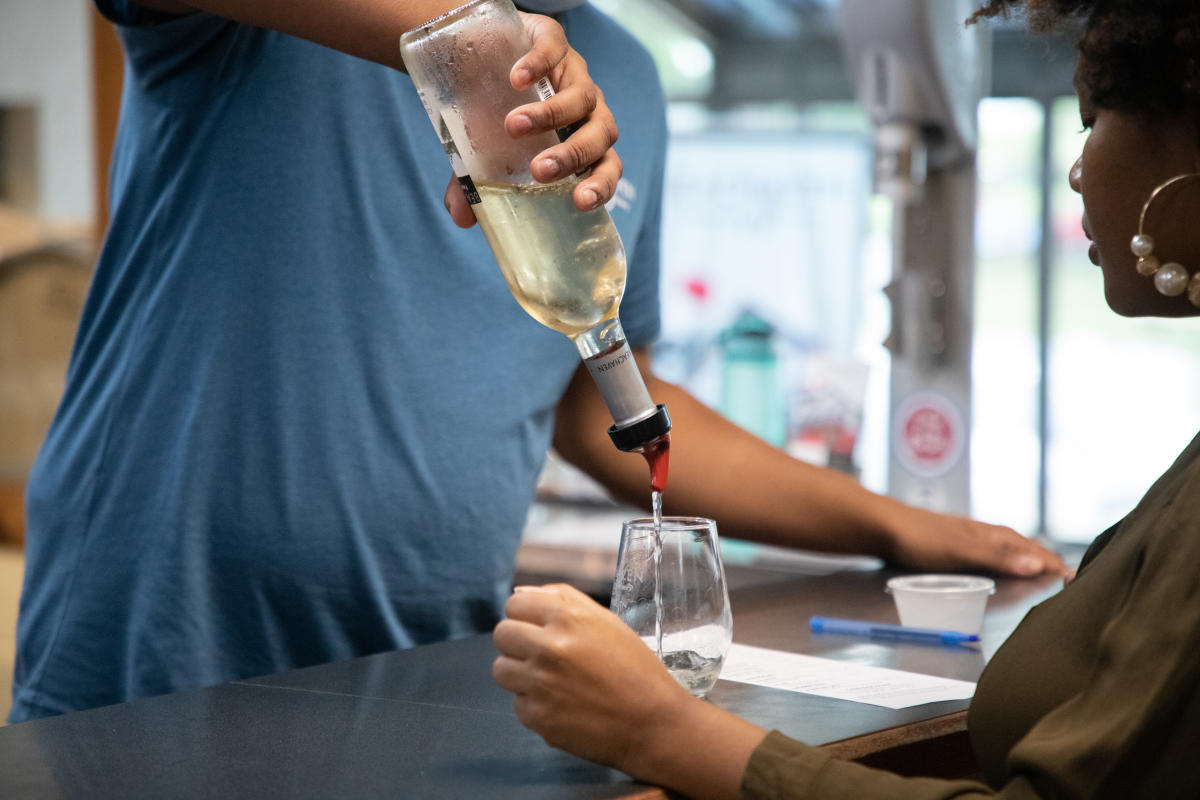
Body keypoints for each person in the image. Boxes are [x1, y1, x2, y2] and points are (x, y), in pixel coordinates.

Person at [9, 0, 1061, 724]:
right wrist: (474, 46)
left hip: (422, 664)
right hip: (161, 649)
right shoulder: (274, 35)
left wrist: (894, 522)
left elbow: (595, 391)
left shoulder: (624, 81)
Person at [491, 2, 1200, 797]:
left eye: (1089, 120)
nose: (1075, 168)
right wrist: (897, 523)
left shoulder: (612, 74)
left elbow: (602, 402)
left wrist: (662, 729)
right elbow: (607, 406)